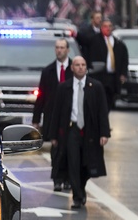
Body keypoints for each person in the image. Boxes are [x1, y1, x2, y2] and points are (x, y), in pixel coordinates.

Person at [51, 56, 111, 210]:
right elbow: (56, 112)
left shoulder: (96, 86)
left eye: (83, 65)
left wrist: (104, 133)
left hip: (90, 131)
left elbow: (102, 112)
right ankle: (77, 197)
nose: (80, 67)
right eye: (77, 65)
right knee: (73, 163)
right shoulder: (64, 87)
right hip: (72, 130)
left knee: (87, 165)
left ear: (86, 68)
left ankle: (81, 187)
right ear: (72, 68)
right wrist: (53, 136)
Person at [32, 37, 71, 192]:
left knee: (70, 149)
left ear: (67, 50)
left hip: (70, 117)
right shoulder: (48, 71)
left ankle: (68, 178)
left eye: (62, 47)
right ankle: (57, 179)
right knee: (56, 148)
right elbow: (41, 95)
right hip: (53, 117)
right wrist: (36, 119)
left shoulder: (75, 69)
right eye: (57, 47)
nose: (59, 50)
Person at [85, 19, 128, 114]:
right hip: (99, 76)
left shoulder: (118, 44)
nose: (108, 28)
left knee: (109, 100)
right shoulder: (94, 41)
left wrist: (123, 74)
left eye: (110, 26)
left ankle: (104, 120)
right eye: (105, 26)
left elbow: (124, 60)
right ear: (101, 28)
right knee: (98, 100)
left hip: (113, 77)